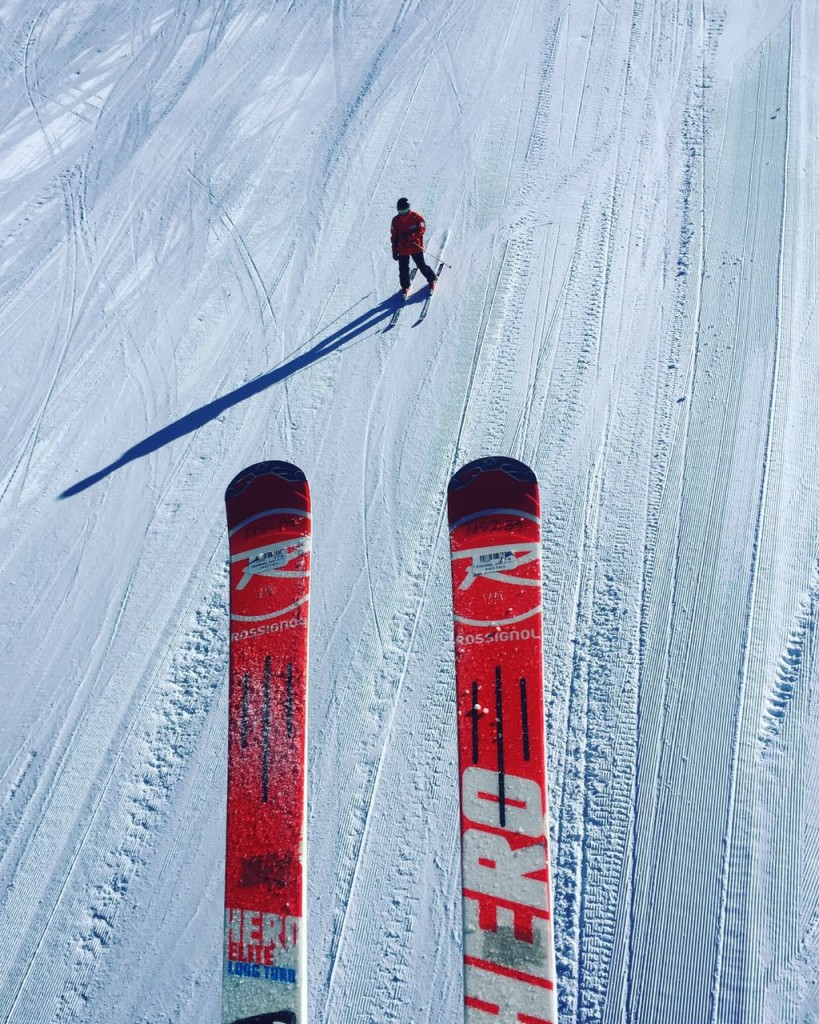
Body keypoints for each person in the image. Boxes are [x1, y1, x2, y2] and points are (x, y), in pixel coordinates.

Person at [390, 198, 438, 298]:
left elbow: (422, 229)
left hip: (415, 246)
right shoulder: (395, 221)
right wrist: (394, 250)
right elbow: (394, 237)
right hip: (403, 248)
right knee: (403, 269)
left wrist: (411, 236)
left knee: (421, 265)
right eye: (401, 211)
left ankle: (432, 279)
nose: (403, 213)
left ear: (409, 208)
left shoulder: (416, 217)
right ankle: (405, 286)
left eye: (406, 211)